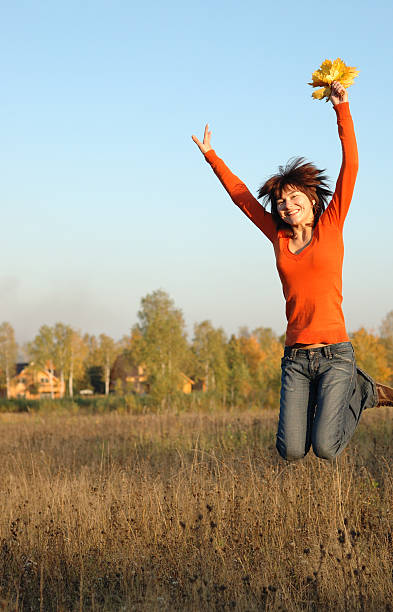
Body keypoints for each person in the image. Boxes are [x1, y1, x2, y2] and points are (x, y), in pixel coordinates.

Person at [192, 81, 393, 461]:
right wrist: (212, 157)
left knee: (326, 448)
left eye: (294, 198)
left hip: (336, 356)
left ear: (311, 199)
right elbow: (243, 199)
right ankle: (358, 390)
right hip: (296, 359)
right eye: (281, 202)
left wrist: (342, 109)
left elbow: (351, 165)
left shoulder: (331, 225)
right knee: (291, 451)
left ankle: (363, 390)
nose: (287, 206)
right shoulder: (278, 236)